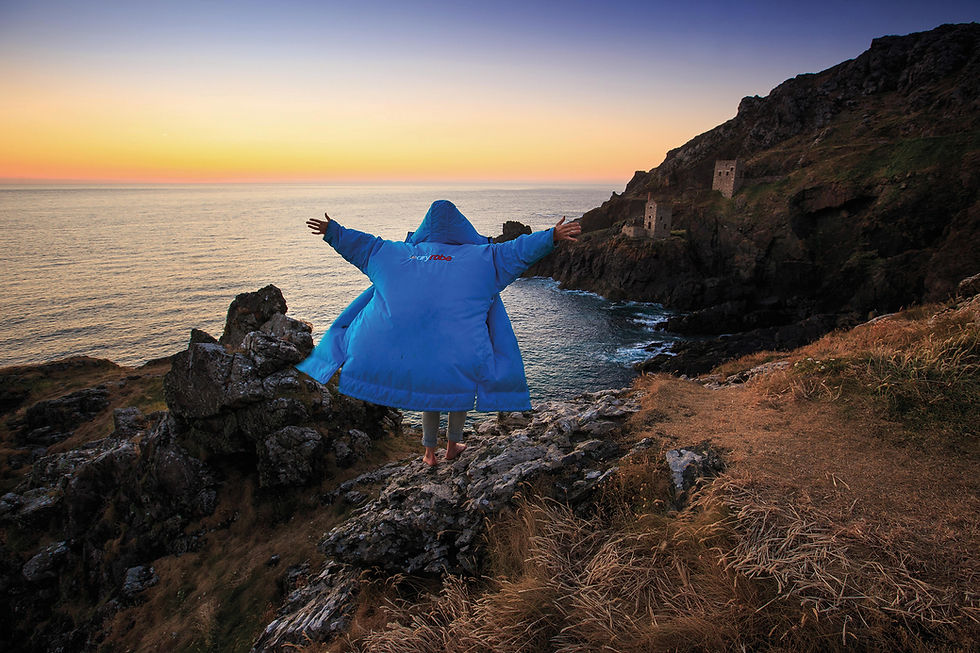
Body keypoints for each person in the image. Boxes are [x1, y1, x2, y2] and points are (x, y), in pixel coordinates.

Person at [296, 200, 580, 466]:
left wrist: (333, 231)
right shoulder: (485, 257)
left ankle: (429, 452)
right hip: (461, 349)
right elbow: (519, 250)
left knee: (429, 392)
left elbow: (365, 247)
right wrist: (551, 236)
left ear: (425, 227)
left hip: (417, 351)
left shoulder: (396, 254)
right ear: (463, 227)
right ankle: (452, 447)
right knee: (458, 389)